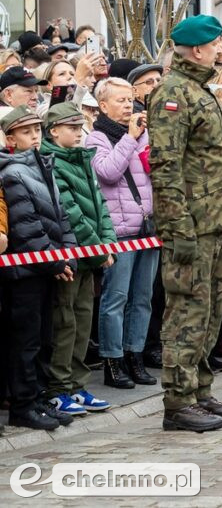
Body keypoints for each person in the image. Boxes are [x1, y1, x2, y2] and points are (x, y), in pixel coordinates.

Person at [148, 14, 222, 432]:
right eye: (214, 44)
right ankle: (177, 400)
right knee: (186, 312)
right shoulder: (173, 94)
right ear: (196, 50)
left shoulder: (198, 89)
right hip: (189, 225)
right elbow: (165, 166)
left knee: (208, 311)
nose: (220, 51)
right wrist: (177, 228)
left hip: (213, 221)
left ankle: (200, 390)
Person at [0, 107, 78, 430]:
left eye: (37, 130)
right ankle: (23, 405)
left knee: (46, 336)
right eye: (26, 132)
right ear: (10, 139)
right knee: (25, 341)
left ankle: (38, 397)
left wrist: (70, 254)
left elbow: (60, 216)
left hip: (47, 268)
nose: (35, 136)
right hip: (26, 273)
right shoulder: (11, 172)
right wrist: (55, 260)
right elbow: (26, 226)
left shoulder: (42, 165)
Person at [41, 103, 116, 416]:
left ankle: (76, 383)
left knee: (83, 320)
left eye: (79, 127)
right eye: (72, 127)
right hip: (72, 254)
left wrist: (108, 241)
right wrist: (98, 248)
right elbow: (70, 211)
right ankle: (59, 387)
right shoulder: (52, 161)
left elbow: (99, 204)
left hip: (90, 256)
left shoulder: (82, 158)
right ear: (55, 130)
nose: (78, 132)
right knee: (65, 322)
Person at [85, 77, 160, 389]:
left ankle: (135, 355)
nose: (129, 105)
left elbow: (152, 170)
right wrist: (130, 139)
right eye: (120, 100)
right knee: (116, 298)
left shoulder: (141, 134)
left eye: (130, 100)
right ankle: (112, 362)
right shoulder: (96, 138)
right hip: (119, 231)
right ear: (103, 105)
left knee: (142, 298)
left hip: (147, 227)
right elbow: (108, 172)